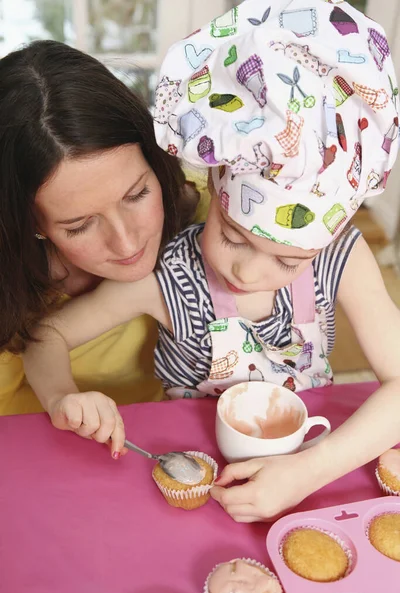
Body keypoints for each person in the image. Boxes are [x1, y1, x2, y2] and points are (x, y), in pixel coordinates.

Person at [23, 0, 400, 520]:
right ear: (216, 192)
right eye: (234, 236)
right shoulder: (170, 277)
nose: (247, 271)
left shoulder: (341, 256)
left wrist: (311, 470)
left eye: (288, 261)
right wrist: (64, 395)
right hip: (189, 473)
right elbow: (47, 335)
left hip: (311, 470)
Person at [0, 40, 209, 423]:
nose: (128, 243)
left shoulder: (217, 215)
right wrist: (66, 404)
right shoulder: (11, 289)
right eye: (79, 226)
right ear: (29, 224)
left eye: (138, 194)